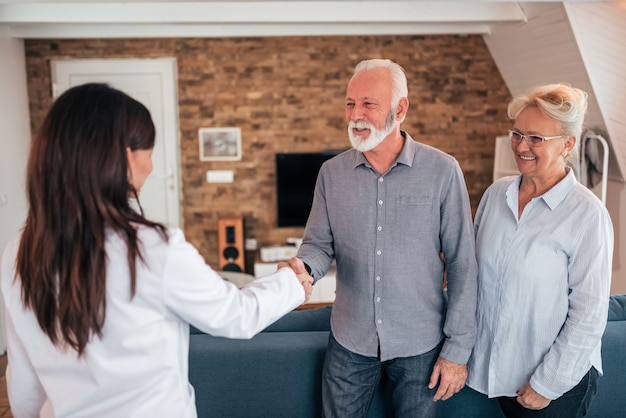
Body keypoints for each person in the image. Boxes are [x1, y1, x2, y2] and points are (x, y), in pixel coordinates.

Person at [0, 83, 313, 418]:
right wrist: (291, 283)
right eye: (149, 152)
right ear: (124, 157)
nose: (150, 166)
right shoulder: (152, 248)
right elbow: (236, 314)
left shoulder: (19, 250)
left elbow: (24, 380)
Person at [284, 58, 478, 417]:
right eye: (350, 103)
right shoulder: (331, 173)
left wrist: (458, 350)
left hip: (421, 343)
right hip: (349, 340)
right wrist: (304, 268)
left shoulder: (443, 171)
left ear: (400, 108)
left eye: (368, 104)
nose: (356, 114)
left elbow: (463, 262)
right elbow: (317, 244)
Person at [466, 83, 614, 418]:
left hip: (552, 387)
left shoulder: (587, 214)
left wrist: (547, 385)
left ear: (568, 144)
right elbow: (476, 278)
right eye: (517, 134)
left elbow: (589, 315)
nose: (521, 146)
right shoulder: (495, 195)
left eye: (536, 138)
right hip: (499, 375)